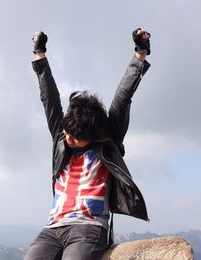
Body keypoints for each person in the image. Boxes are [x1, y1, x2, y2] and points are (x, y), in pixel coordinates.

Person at [25, 28, 151, 260]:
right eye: (66, 133)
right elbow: (49, 98)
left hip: (89, 228)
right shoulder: (62, 139)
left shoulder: (107, 141)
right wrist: (40, 53)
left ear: (92, 135)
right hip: (53, 227)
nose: (68, 139)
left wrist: (140, 54)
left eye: (75, 137)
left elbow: (122, 98)